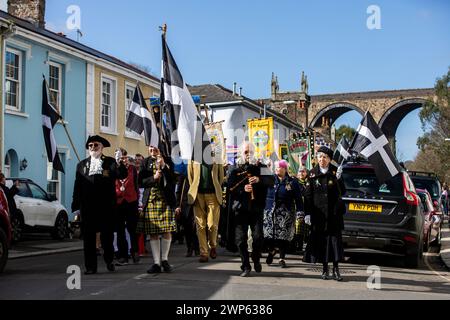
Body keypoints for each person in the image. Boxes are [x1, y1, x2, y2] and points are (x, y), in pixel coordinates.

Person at [72, 135, 128, 275]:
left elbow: (122, 175)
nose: (92, 148)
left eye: (95, 145)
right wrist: (76, 204)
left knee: (107, 237)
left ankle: (109, 260)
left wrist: (119, 162)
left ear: (102, 147)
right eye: (90, 145)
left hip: (106, 207)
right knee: (89, 238)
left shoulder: (110, 162)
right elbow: (77, 186)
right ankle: (90, 267)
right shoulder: (82, 165)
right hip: (88, 207)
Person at [228, 142, 274, 277]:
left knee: (258, 236)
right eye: (246, 152)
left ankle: (255, 257)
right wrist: (242, 189)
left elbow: (271, 181)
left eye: (250, 152)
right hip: (240, 208)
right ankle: (245, 266)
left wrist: (259, 180)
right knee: (241, 239)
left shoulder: (261, 166)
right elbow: (230, 187)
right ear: (241, 153)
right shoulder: (235, 168)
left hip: (256, 207)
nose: (248, 155)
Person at [303, 146, 346, 281]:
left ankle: (336, 269)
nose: (322, 160)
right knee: (322, 243)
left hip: (334, 215)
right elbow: (308, 196)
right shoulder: (312, 174)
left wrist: (339, 179)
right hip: (319, 215)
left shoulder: (335, 172)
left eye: (325, 157)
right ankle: (325, 269)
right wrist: (307, 213)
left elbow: (342, 192)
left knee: (334, 242)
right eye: (320, 157)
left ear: (330, 159)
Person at [137, 145, 176, 274]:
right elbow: (141, 181)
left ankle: (165, 260)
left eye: (155, 147)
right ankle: (156, 263)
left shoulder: (168, 160)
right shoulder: (145, 162)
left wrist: (163, 165)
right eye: (150, 147)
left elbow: (172, 179)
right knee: (153, 233)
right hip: (151, 201)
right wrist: (153, 178)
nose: (152, 149)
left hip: (165, 200)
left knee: (166, 230)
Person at [263, 160, 303, 268]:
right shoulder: (270, 179)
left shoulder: (292, 182)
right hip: (270, 211)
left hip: (286, 213)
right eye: (275, 167)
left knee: (283, 237)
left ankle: (282, 258)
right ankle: (271, 251)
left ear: (285, 169)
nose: (277, 169)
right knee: (268, 236)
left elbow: (298, 198)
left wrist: (300, 211)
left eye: (279, 167)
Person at [187, 156, 224, 263]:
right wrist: (193, 190)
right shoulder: (193, 158)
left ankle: (212, 245)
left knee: (212, 224)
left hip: (213, 194)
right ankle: (204, 253)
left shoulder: (216, 157)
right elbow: (190, 177)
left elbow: (220, 177)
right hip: (198, 195)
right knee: (200, 225)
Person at [115, 149, 140, 265]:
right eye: (121, 158)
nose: (123, 160)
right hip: (118, 202)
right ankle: (123, 255)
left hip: (131, 202)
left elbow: (136, 185)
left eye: (124, 157)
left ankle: (134, 251)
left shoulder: (132, 169)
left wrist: (138, 202)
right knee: (120, 230)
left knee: (132, 229)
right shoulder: (114, 169)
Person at [175, 162, 200, 257]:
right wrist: (177, 205)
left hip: (197, 203)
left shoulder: (198, 175)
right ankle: (190, 248)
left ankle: (197, 248)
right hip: (185, 205)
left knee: (196, 227)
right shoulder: (183, 176)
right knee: (187, 228)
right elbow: (178, 191)